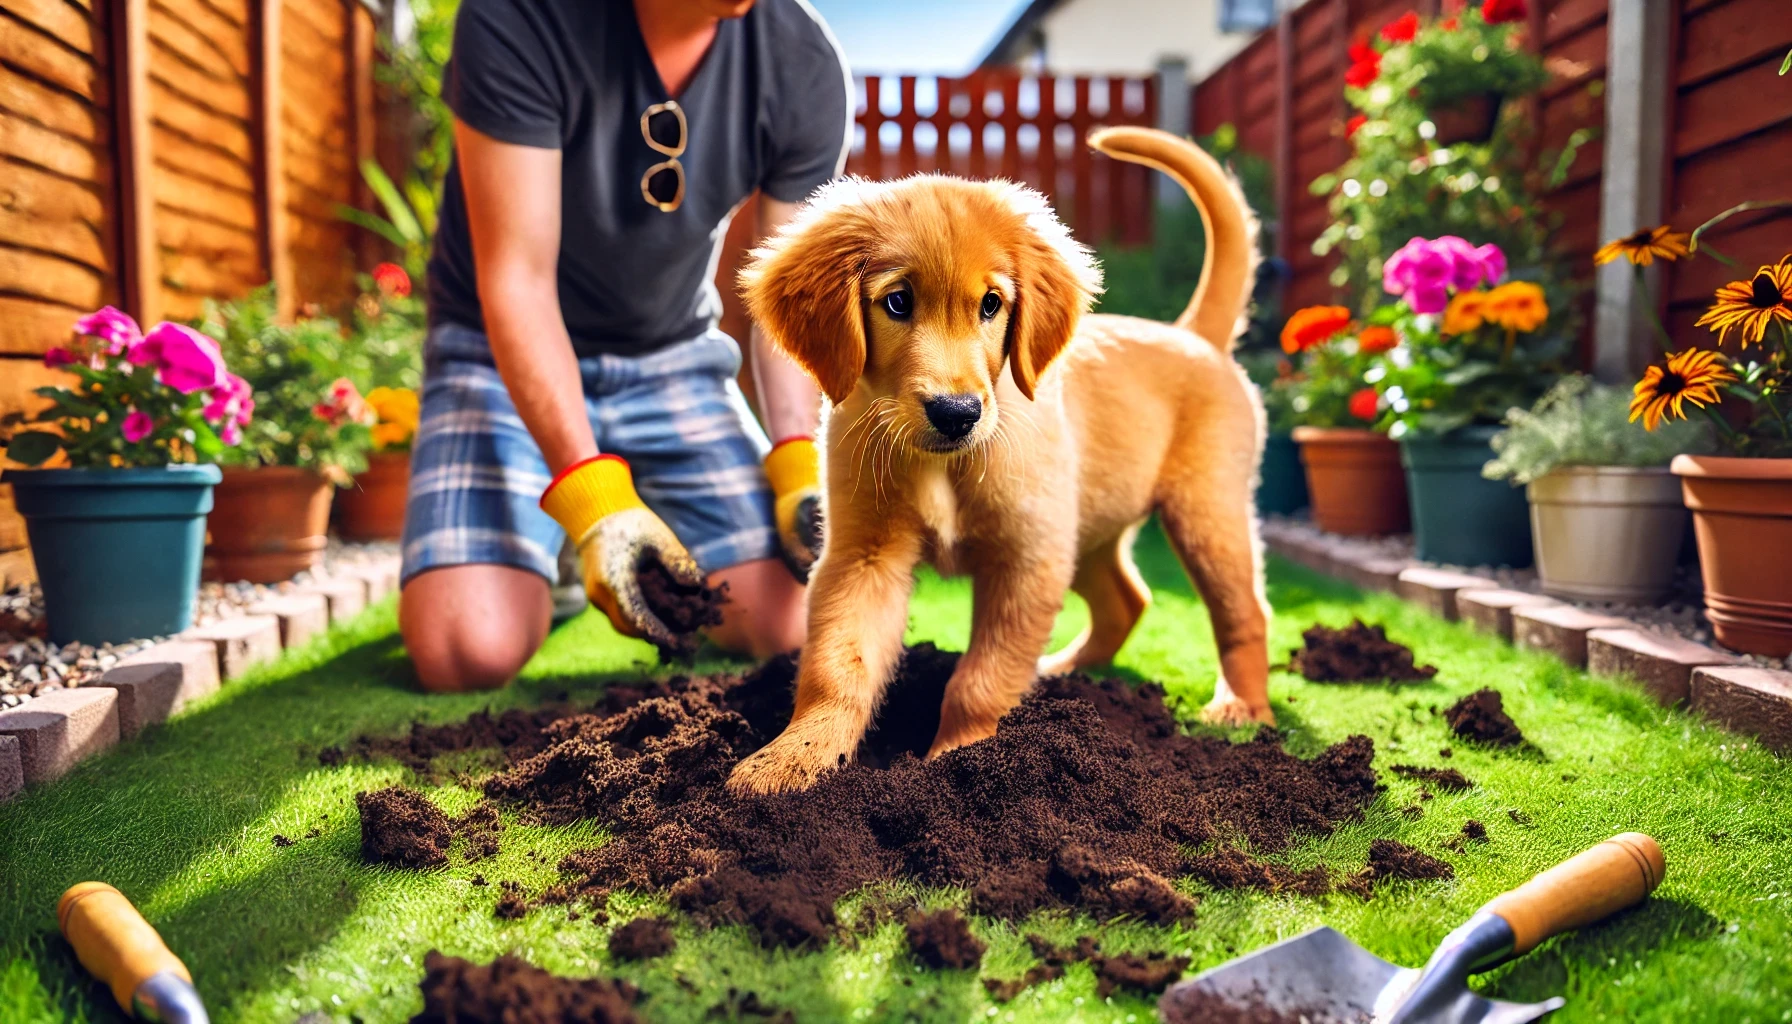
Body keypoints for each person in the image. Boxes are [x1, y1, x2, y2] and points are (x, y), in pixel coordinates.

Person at [398, 0, 851, 691]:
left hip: (670, 356)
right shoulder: (517, 16)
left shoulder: (802, 62)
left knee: (785, 621)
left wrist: (794, 456)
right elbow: (516, 279)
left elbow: (786, 303)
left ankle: (596, 524)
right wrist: (593, 499)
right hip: (496, 354)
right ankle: (553, 561)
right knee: (467, 649)